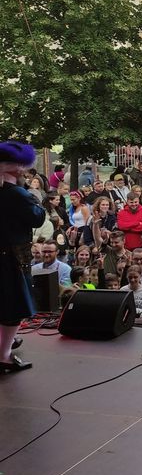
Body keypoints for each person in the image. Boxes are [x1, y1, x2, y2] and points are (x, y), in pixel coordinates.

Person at [0, 142, 46, 373]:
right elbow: (37, 218)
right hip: (12, 258)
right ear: (16, 168)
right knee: (13, 308)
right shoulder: (17, 194)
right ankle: (4, 356)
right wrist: (35, 197)